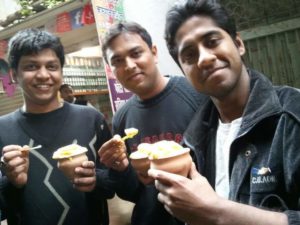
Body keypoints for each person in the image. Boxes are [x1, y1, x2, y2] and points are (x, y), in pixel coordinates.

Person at [148, 1, 300, 225]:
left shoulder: (291, 116)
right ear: (184, 72)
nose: (205, 58)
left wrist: (218, 213)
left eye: (212, 42)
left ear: (238, 44)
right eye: (189, 55)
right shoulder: (193, 140)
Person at [0, 28, 114, 225]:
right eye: (31, 66)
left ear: (61, 72)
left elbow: (113, 185)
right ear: (14, 75)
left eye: (52, 66)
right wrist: (10, 182)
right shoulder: (2, 130)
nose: (43, 75)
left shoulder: (91, 119)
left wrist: (96, 180)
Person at [98, 22, 206, 225]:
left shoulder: (197, 95)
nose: (129, 65)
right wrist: (121, 169)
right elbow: (132, 193)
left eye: (136, 53)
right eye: (118, 60)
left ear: (154, 53)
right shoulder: (122, 117)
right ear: (111, 70)